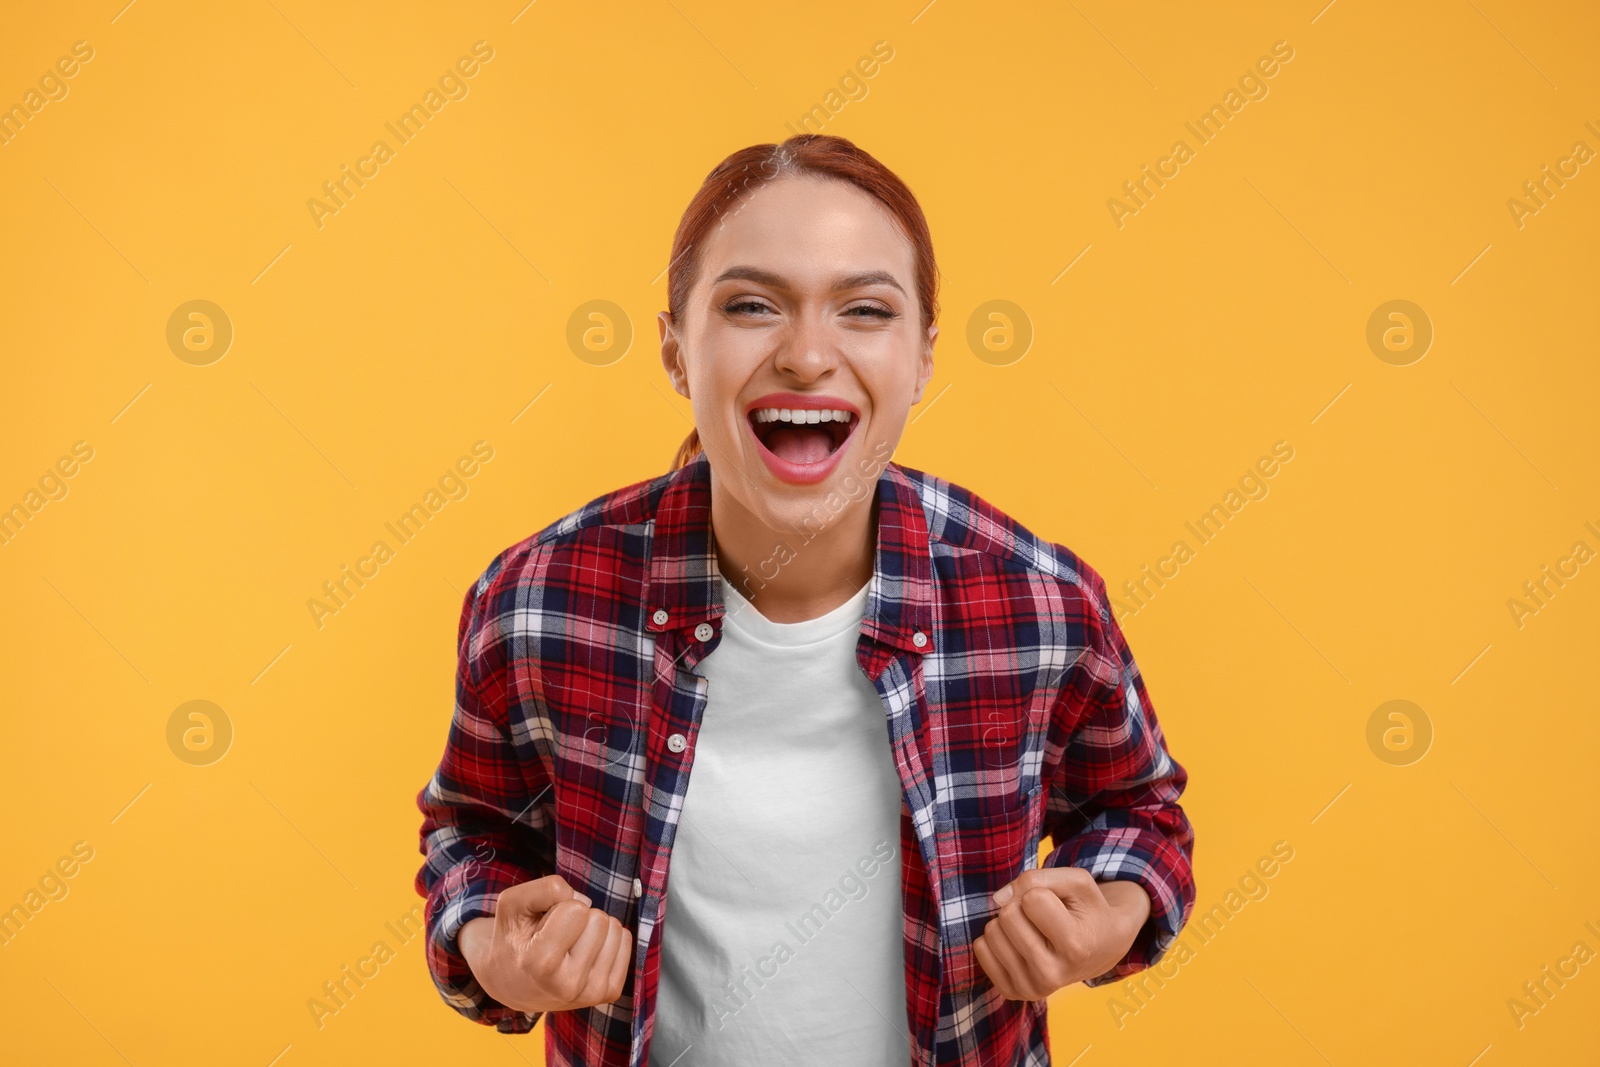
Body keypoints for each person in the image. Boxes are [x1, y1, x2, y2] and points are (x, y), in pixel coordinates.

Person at [414, 133, 1195, 1067]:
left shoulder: (1039, 601)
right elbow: (468, 833)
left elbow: (1144, 814)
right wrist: (494, 949)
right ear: (674, 348)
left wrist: (1113, 911)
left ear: (922, 358)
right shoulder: (537, 601)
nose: (808, 355)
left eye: (865, 310)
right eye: (751, 305)